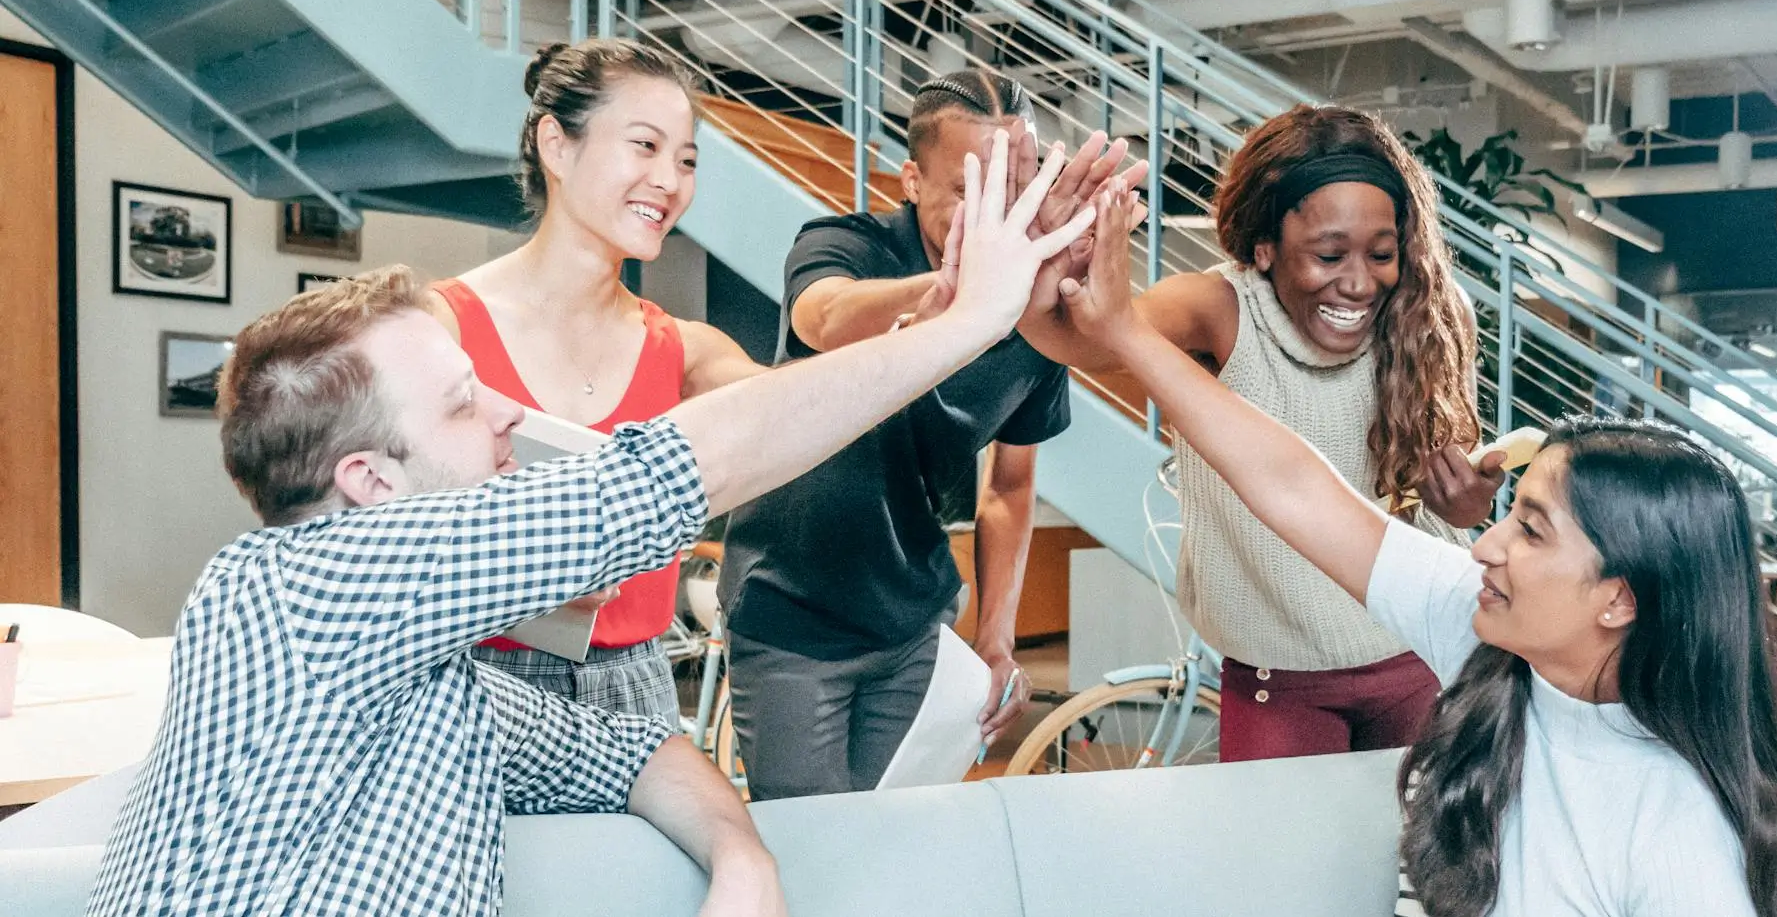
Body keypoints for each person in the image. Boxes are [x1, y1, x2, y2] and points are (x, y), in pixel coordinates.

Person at [85, 129, 1096, 917]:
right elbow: (665, 473)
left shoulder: (428, 677)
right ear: (367, 483)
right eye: (457, 403)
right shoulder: (294, 588)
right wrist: (968, 319)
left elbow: (628, 754)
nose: (510, 413)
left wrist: (741, 856)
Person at [1054, 188, 1777, 917]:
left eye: (1530, 530)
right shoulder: (1482, 638)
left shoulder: (1682, 831)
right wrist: (1123, 330)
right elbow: (1294, 486)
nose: (1486, 543)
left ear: (1619, 598)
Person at [1018, 104, 1499, 761]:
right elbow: (1080, 340)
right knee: (1277, 862)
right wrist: (1042, 267)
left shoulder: (1432, 314)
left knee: (1420, 859)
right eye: (1328, 253)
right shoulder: (1219, 308)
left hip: (1426, 654)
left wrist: (1470, 504)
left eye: (1379, 252)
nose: (1357, 281)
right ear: (1264, 246)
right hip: (1280, 677)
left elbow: (1457, 501)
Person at [719, 68, 1136, 800]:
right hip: (793, 616)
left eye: (1017, 189)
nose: (999, 217)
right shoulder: (847, 244)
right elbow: (822, 316)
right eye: (971, 193)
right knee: (814, 852)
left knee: (896, 844)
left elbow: (1010, 488)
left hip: (914, 625)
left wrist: (997, 638)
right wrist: (948, 299)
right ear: (911, 179)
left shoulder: (1035, 315)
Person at [423, 39, 764, 716]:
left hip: (636, 687)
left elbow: (809, 413)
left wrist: (934, 327)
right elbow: (370, 527)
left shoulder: (684, 350)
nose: (670, 180)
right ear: (557, 145)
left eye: (687, 160)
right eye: (645, 145)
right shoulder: (440, 329)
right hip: (474, 682)